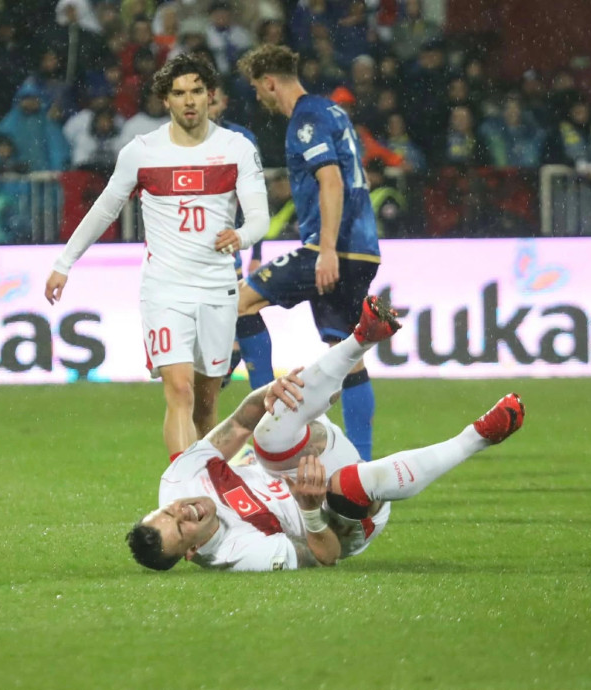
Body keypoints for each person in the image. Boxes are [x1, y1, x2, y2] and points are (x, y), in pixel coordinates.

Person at [127, 296, 526, 571]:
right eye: (181, 527)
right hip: (335, 519)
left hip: (302, 458)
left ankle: (361, 337)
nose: (184, 512)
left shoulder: (178, 480)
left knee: (267, 437)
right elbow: (325, 557)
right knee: (346, 486)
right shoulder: (239, 554)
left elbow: (240, 423)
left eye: (169, 512)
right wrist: (308, 508)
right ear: (192, 551)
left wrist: (269, 392)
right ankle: (478, 437)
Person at [45, 53, 271, 456]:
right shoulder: (142, 151)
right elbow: (105, 209)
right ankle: (183, 487)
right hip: (164, 289)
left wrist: (240, 235)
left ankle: (204, 483)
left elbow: (259, 218)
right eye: (179, 93)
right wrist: (65, 263)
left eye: (196, 91)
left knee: (206, 403)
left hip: (218, 288)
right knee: (179, 389)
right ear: (165, 100)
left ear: (210, 95)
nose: (189, 100)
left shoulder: (237, 148)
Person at [235, 44, 383, 461]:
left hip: (333, 248)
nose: (259, 97)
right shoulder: (332, 111)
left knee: (241, 304)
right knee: (346, 355)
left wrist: (327, 250)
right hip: (363, 249)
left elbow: (331, 180)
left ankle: (264, 426)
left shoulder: (306, 119)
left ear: (269, 83)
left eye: (257, 89)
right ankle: (361, 464)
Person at [207, 86, 274, 392]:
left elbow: (255, 198)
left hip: (226, 245)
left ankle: (265, 396)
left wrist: (256, 251)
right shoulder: (172, 141)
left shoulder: (241, 139)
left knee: (241, 311)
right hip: (185, 250)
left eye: (212, 99)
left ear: (223, 102)